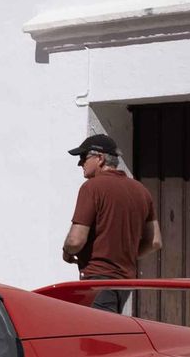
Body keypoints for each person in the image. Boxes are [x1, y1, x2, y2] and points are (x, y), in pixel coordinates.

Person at [62, 133, 161, 313]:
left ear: (99, 158)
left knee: (96, 336)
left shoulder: (92, 188)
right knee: (110, 331)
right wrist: (125, 255)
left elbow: (76, 240)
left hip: (98, 281)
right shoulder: (141, 191)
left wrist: (67, 251)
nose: (80, 163)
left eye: (83, 157)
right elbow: (154, 241)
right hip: (125, 282)